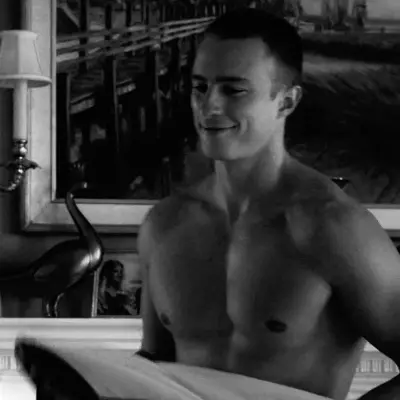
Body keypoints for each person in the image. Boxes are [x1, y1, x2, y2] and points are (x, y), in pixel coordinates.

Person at [137, 8, 400, 400]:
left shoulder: (334, 227)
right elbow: (153, 363)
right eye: (200, 87)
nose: (209, 106)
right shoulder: (164, 224)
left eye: (234, 90)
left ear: (287, 102)